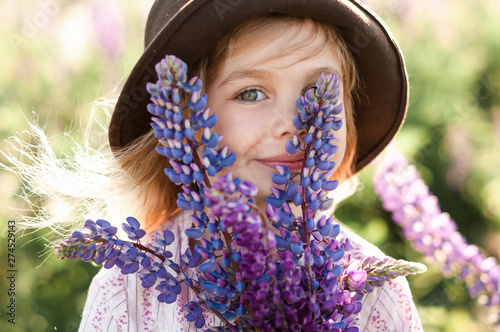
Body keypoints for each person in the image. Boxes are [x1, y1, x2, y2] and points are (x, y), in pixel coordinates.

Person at [12, 0, 423, 331]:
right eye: (250, 93)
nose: (293, 122)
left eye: (317, 91)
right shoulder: (130, 287)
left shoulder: (368, 283)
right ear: (190, 124)